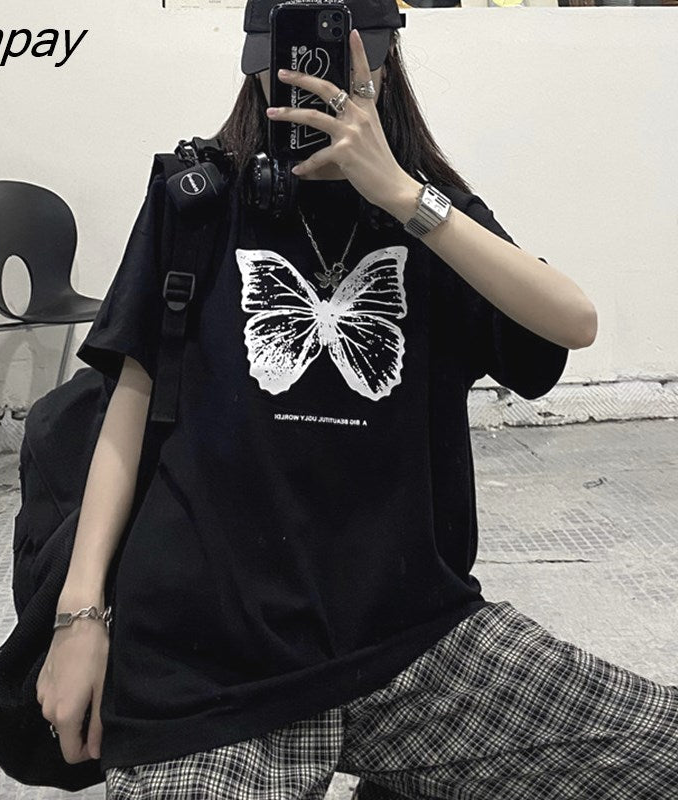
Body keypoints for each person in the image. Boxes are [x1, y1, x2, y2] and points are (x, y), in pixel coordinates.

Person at [35, 1, 678, 798]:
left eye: (328, 59)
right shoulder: (197, 200)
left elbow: (572, 321)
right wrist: (80, 617)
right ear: (254, 63)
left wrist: (404, 195)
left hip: (412, 644)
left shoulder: (432, 215)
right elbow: (127, 407)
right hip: (209, 668)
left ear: (380, 60)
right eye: (280, 61)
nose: (301, 81)